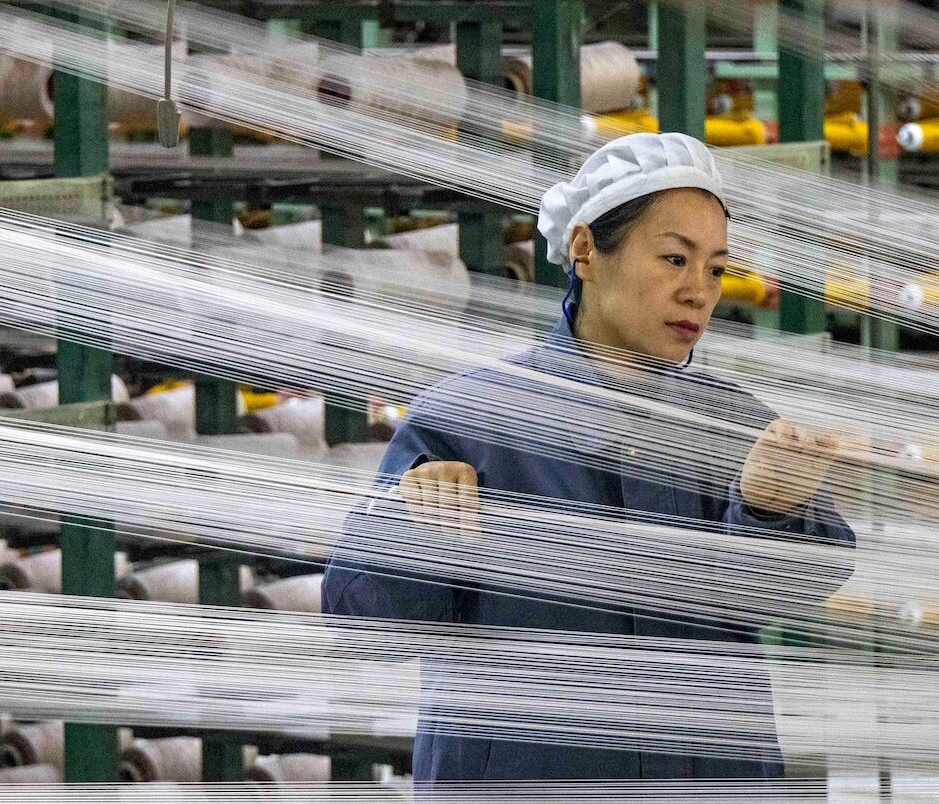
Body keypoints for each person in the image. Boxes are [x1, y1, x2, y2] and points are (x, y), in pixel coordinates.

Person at [324, 132, 856, 784]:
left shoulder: (734, 427)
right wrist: (414, 527)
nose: (699, 292)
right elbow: (365, 629)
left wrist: (772, 512)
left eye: (716, 269)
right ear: (584, 250)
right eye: (673, 259)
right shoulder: (468, 423)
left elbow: (801, 590)